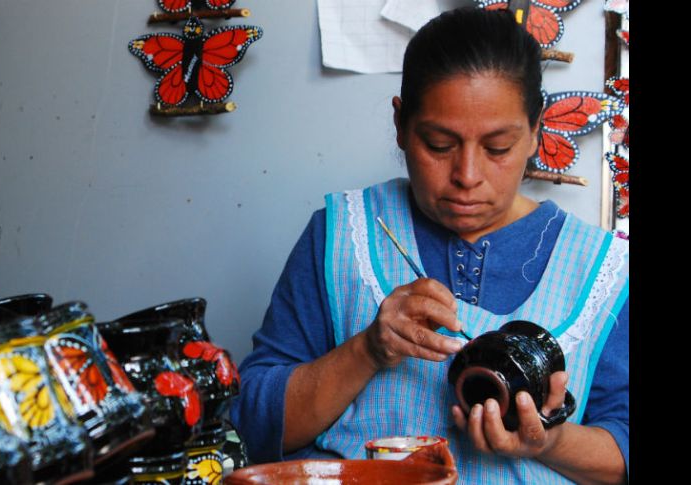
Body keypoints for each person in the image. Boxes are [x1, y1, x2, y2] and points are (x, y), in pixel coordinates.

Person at [230, 7, 628, 484]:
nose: (467, 176)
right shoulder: (342, 234)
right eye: (439, 144)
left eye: (498, 147)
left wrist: (551, 441)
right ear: (401, 125)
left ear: (536, 133)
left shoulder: (603, 268)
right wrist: (367, 351)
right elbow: (252, 424)